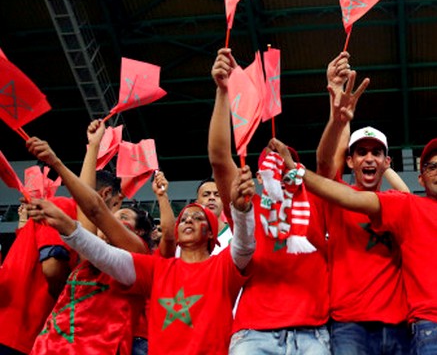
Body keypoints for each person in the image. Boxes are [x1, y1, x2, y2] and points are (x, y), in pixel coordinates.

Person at [268, 136, 437, 355]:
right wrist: (297, 170)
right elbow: (339, 186)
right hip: (427, 332)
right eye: (432, 167)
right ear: (421, 179)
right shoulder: (407, 206)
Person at [25, 164, 256, 355]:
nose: (187, 220)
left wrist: (242, 210)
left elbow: (245, 245)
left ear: (212, 234)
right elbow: (105, 255)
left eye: (197, 218)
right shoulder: (156, 268)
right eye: (184, 217)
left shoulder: (223, 266)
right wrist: (68, 227)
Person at [208, 48, 330, 354]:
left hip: (313, 331)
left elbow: (329, 161)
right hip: (255, 331)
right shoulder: (247, 204)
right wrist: (224, 91)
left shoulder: (317, 204)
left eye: (286, 167)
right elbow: (220, 159)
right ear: (260, 177)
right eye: (270, 168)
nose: (280, 172)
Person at [25, 130, 154, 355]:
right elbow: (86, 205)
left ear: (140, 233)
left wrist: (56, 163)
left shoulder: (138, 256)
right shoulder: (87, 259)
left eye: (123, 218)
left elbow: (94, 208)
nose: (114, 219)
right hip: (50, 347)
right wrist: (93, 146)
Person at [315, 51, 410, 354]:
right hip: (348, 325)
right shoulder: (337, 195)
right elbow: (324, 159)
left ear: (387, 162)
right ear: (351, 161)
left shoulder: (398, 203)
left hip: (399, 325)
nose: (369, 157)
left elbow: (410, 199)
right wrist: (337, 111)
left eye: (376, 153)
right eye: (361, 152)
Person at [0, 195, 78, 355]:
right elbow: (53, 268)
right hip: (21, 331)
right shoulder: (63, 206)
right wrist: (71, 303)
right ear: (106, 195)